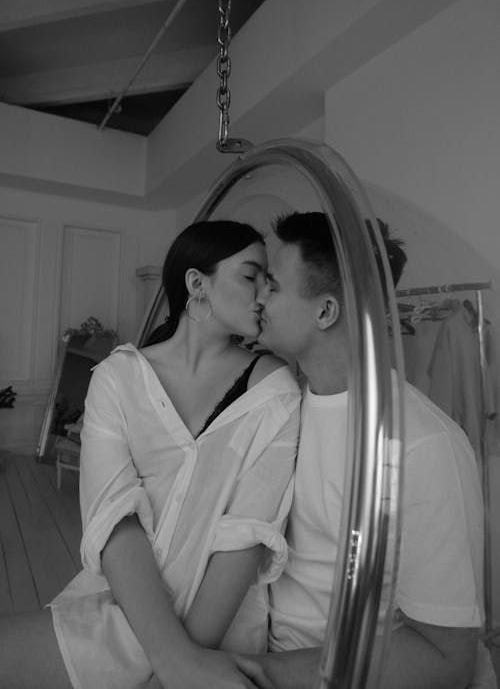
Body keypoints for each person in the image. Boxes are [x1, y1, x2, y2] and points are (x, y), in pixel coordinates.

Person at [0, 220, 301, 689]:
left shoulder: (275, 390)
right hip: (124, 604)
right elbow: (114, 518)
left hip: (218, 629)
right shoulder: (117, 378)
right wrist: (175, 660)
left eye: (268, 280)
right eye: (250, 275)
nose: (263, 293)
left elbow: (248, 536)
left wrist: (185, 666)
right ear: (197, 284)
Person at [245, 211, 494, 689]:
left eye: (272, 286)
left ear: (326, 312)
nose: (258, 298)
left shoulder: (422, 445)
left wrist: (257, 675)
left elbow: (445, 657)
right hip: (256, 640)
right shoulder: (283, 405)